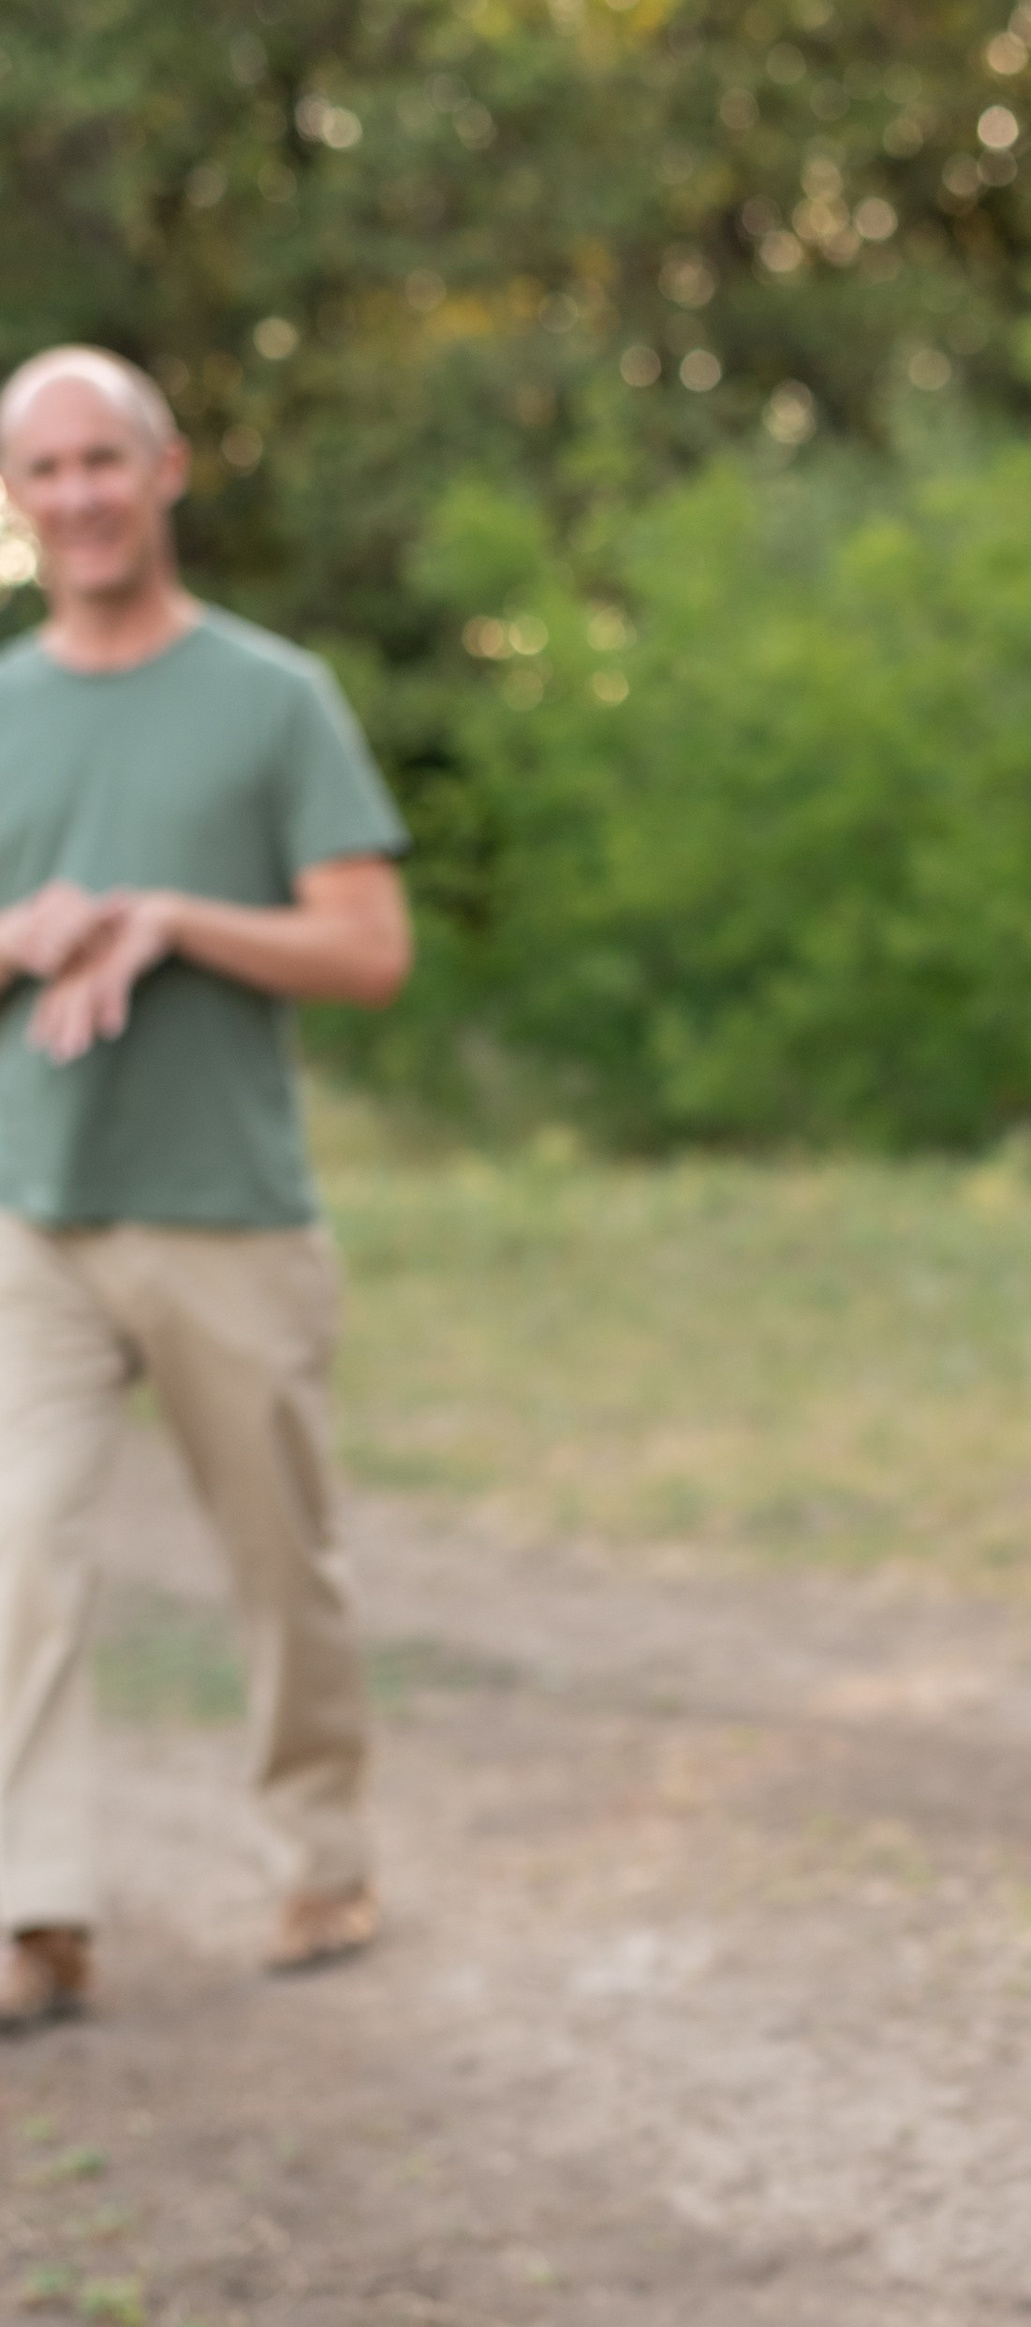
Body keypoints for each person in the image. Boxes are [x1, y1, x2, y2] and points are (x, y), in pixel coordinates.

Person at [0, 344, 413, 2030]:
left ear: (164, 474)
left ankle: (320, 1858)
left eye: (108, 461)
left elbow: (369, 951)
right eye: (47, 471)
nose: (81, 494)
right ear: (18, 503)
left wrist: (173, 919)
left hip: (227, 1221)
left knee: (279, 1566)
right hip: (33, 1219)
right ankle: (35, 1916)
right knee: (17, 1555)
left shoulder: (272, 696)